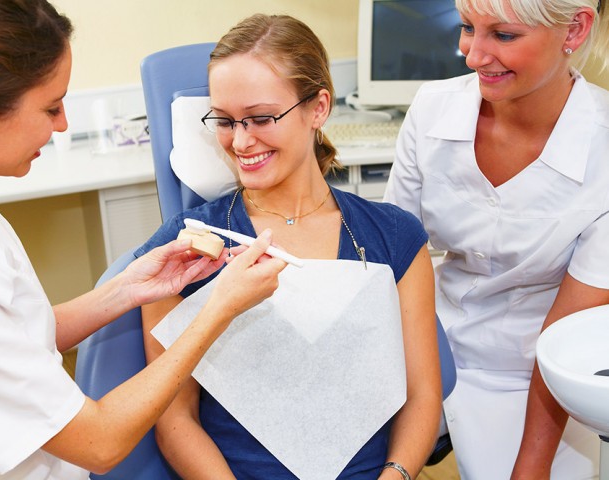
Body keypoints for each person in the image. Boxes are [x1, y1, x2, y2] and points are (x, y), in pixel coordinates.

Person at [0, 1, 288, 478]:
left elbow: (6, 338)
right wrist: (217, 308)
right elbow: (100, 442)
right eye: (51, 107)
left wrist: (128, 289)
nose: (62, 125)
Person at [137, 13, 442, 480]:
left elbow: (422, 395)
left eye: (260, 118)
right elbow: (175, 419)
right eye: (224, 121)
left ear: (317, 108)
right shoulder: (188, 249)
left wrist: (395, 475)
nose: (240, 141)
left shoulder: (393, 237)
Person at [383, 0, 609, 478]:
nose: (472, 55)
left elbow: (566, 334)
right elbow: (397, 259)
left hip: (540, 372)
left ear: (574, 29)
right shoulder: (432, 110)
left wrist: (531, 466)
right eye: (468, 27)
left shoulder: (603, 151)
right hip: (430, 339)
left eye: (503, 36)